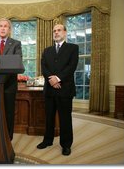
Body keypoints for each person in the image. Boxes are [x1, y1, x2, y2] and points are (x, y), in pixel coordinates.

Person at [37, 24, 78, 156]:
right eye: (54, 31)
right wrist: (51, 80)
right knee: (48, 117)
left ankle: (66, 145)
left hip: (65, 89)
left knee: (65, 118)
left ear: (65, 33)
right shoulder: (47, 50)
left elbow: (72, 67)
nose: (56, 32)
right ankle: (48, 140)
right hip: (49, 89)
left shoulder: (73, 48)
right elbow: (44, 67)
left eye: (59, 30)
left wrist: (58, 78)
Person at [0, 18, 22, 141]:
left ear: (9, 29)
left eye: (5, 26)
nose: (3, 28)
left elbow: (16, 61)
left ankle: (8, 138)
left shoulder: (16, 44)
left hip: (9, 84)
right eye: (0, 26)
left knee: (8, 112)